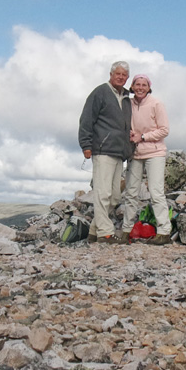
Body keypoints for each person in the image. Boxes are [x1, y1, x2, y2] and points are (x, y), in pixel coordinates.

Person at [78, 61, 134, 243]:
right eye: (117, 74)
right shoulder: (100, 92)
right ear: (111, 74)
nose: (121, 77)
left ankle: (94, 230)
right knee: (103, 193)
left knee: (115, 195)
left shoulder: (126, 98)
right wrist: (86, 145)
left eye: (124, 75)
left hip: (119, 152)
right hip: (102, 149)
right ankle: (105, 233)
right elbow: (87, 118)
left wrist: (128, 149)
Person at [121, 74, 172, 245]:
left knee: (156, 192)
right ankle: (126, 230)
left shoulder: (156, 103)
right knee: (131, 192)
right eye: (137, 84)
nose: (140, 87)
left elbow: (164, 130)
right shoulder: (127, 103)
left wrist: (142, 136)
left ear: (149, 87)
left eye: (144, 85)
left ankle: (164, 231)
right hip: (135, 153)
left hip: (155, 153)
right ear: (132, 87)